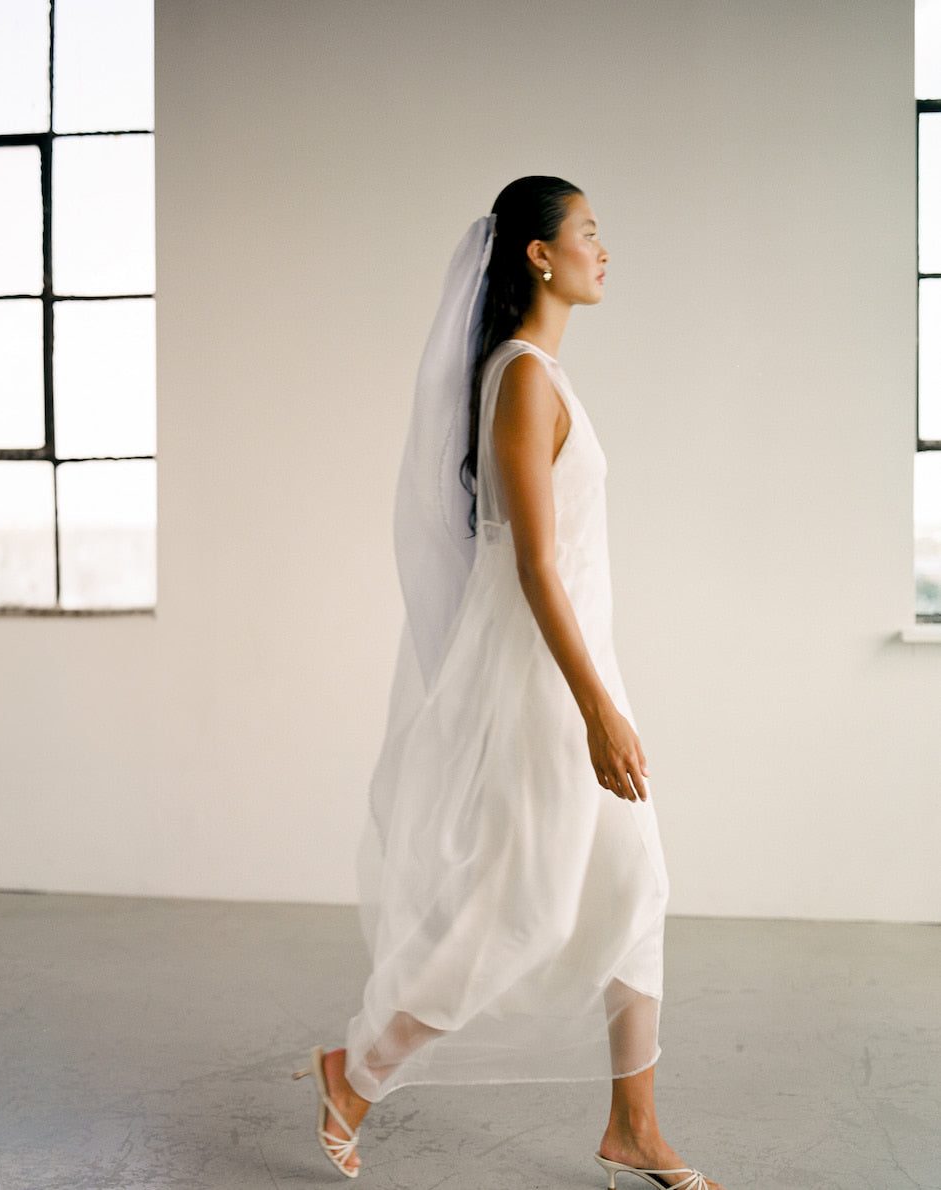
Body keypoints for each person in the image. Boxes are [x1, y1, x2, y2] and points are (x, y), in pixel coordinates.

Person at [295, 177, 726, 1190]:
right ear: (537, 255)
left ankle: (635, 1125)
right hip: (548, 691)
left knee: (636, 885)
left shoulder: (539, 377)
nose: (602, 249)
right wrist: (596, 712)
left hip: (578, 675)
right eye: (586, 232)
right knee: (517, 908)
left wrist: (605, 694)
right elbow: (533, 565)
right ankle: (349, 1075)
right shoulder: (525, 377)